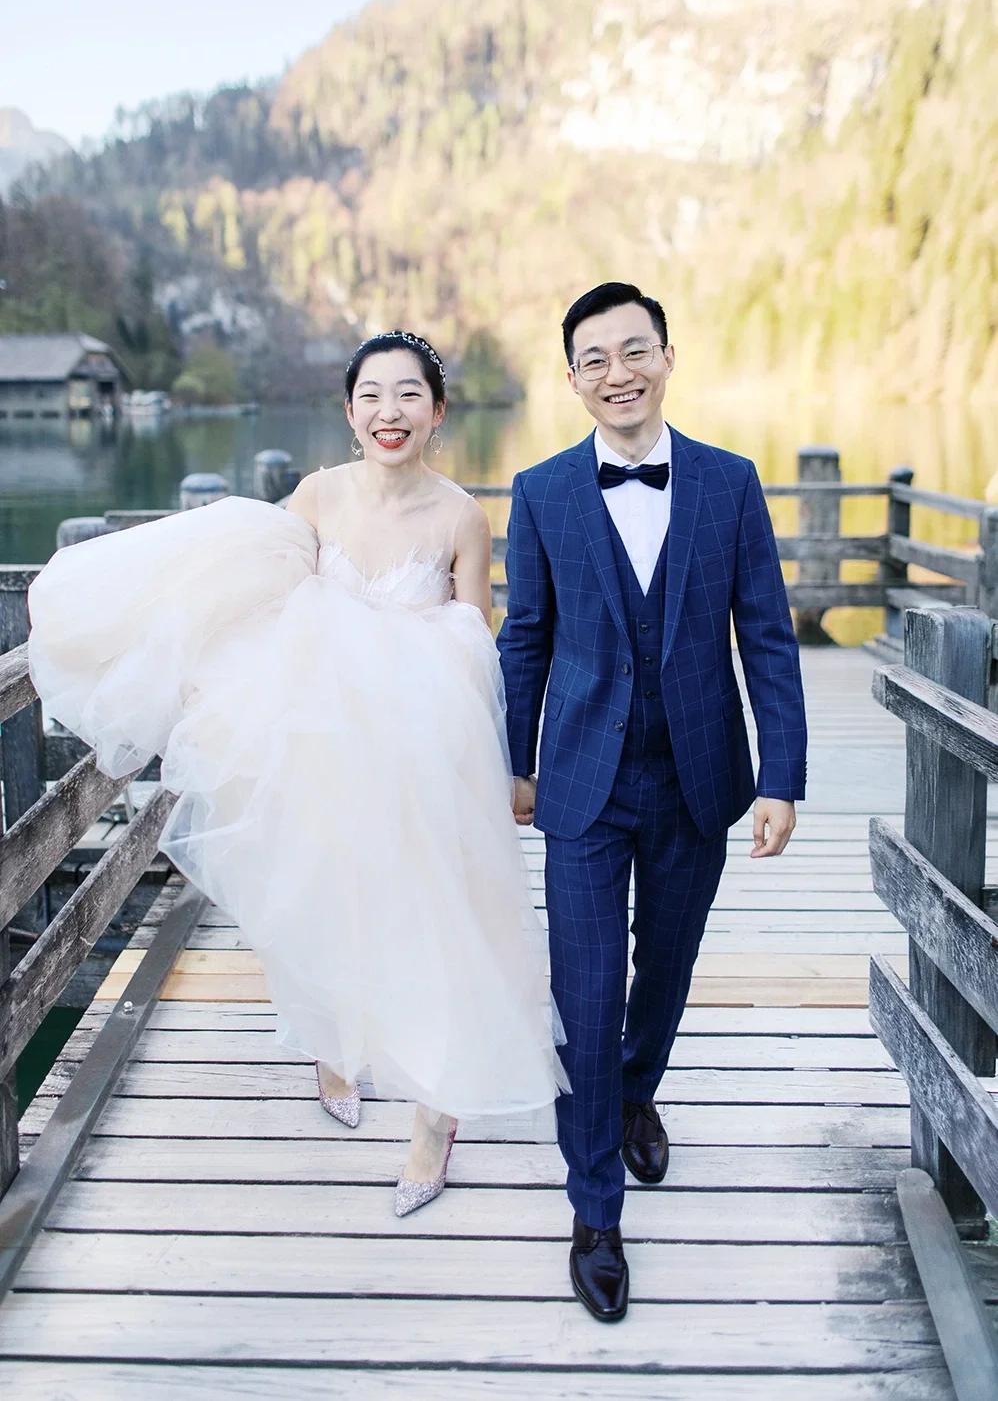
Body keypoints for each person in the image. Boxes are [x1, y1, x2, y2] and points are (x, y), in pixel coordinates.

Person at [28, 329, 567, 1216]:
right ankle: (332, 1039)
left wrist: (445, 701)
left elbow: (480, 643)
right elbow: (253, 589)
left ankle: (436, 1118)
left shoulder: (461, 516)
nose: (388, 413)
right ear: (349, 411)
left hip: (425, 750)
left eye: (407, 396)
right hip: (324, 744)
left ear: (438, 411)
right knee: (324, 892)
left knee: (438, 911)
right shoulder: (314, 495)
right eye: (371, 396)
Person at [498, 282, 807, 1321]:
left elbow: (765, 632)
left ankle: (633, 1091)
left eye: (635, 350)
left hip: (698, 776)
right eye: (594, 357)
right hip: (580, 783)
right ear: (573, 377)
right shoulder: (539, 491)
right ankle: (595, 1209)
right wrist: (512, 759)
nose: (617, 372)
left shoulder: (728, 481)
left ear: (666, 358)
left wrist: (780, 775)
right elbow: (525, 637)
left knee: (662, 970)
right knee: (583, 996)